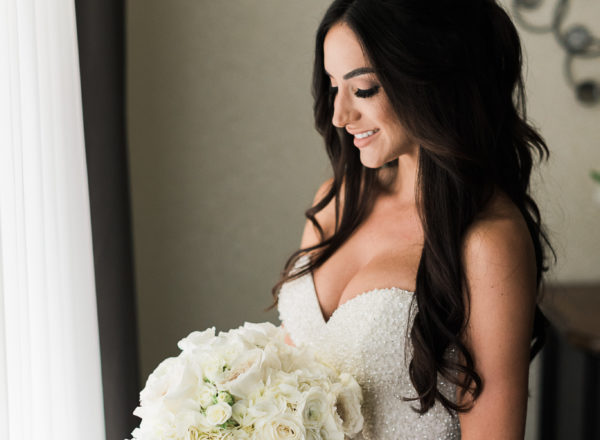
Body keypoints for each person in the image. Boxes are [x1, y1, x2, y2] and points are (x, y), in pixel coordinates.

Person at [271, 0, 553, 438]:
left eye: (362, 89)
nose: (340, 116)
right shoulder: (334, 201)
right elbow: (286, 374)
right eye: (332, 87)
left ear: (430, 80)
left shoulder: (486, 242)